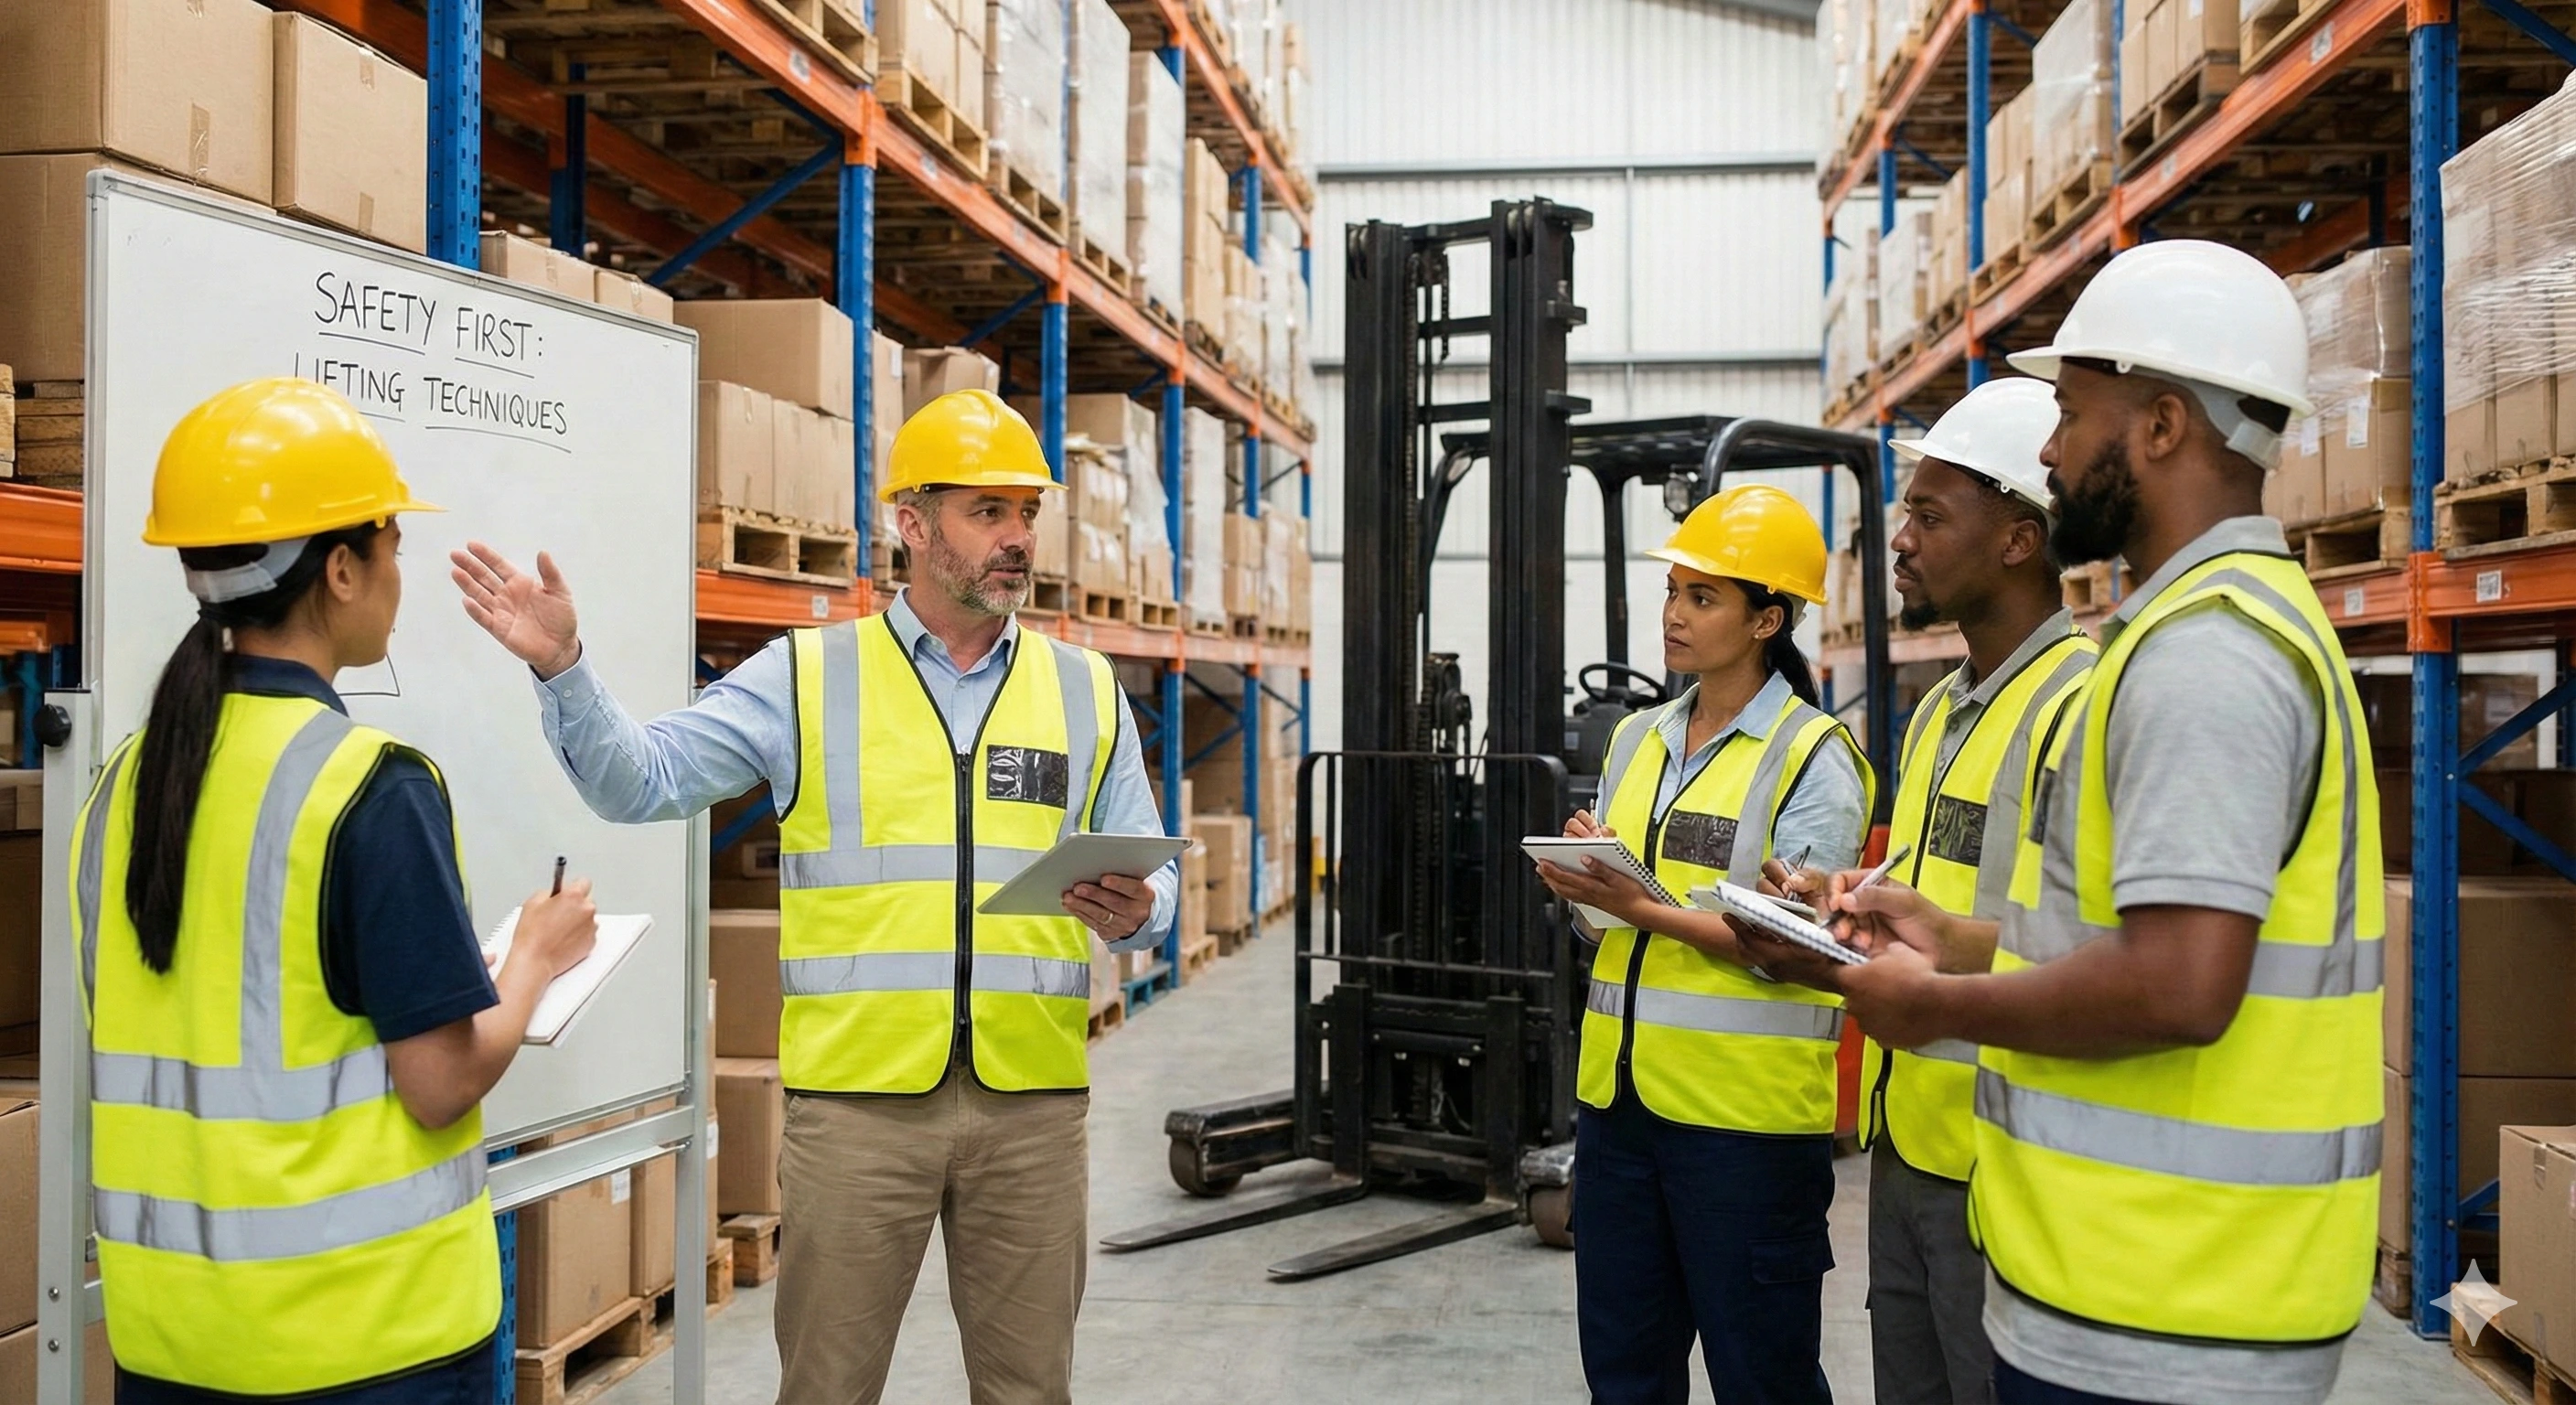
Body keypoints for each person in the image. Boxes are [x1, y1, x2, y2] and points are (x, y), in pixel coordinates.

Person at [449, 388, 1176, 1405]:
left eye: (1027, 513)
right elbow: (641, 781)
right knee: (828, 1390)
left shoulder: (1083, 690)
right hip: (859, 1116)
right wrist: (565, 668)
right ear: (912, 525)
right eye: (988, 512)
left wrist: (1147, 910)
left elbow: (1158, 878)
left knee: (1030, 1392)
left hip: (1034, 1111)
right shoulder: (807, 677)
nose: (1017, 539)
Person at [1830, 240, 2383, 1405]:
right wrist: (1951, 933)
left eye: (2071, 414)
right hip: (2138, 1287)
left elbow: (2179, 986)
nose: (2047, 446)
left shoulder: (2204, 659)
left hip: (2171, 1303)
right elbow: (2122, 942)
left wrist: (1933, 1006)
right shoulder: (2188, 633)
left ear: (2164, 426)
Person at [74, 378, 599, 1404]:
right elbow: (441, 1080)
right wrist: (536, 955)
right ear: (345, 569)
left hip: (171, 1344)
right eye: (395, 542)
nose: (401, 569)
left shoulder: (124, 780)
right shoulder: (369, 785)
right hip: (365, 1345)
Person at [1533, 482, 1874, 1405]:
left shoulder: (1814, 759)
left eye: (1701, 598)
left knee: (1759, 1376)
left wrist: (1634, 906)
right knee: (1625, 1373)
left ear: (1767, 619)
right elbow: (1609, 922)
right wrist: (1583, 885)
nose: (1673, 616)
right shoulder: (1638, 739)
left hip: (1743, 1131)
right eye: (1672, 592)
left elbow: (1796, 943)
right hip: (1620, 1111)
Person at [1809, 379, 2096, 1405]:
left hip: (2001, 1163)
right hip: (1905, 1137)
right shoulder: (1936, 710)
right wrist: (1845, 896)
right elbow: (1933, 887)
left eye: (1928, 516)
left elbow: (2081, 954)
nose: (1899, 540)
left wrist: (1930, 953)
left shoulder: (2077, 707)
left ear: (2018, 540)